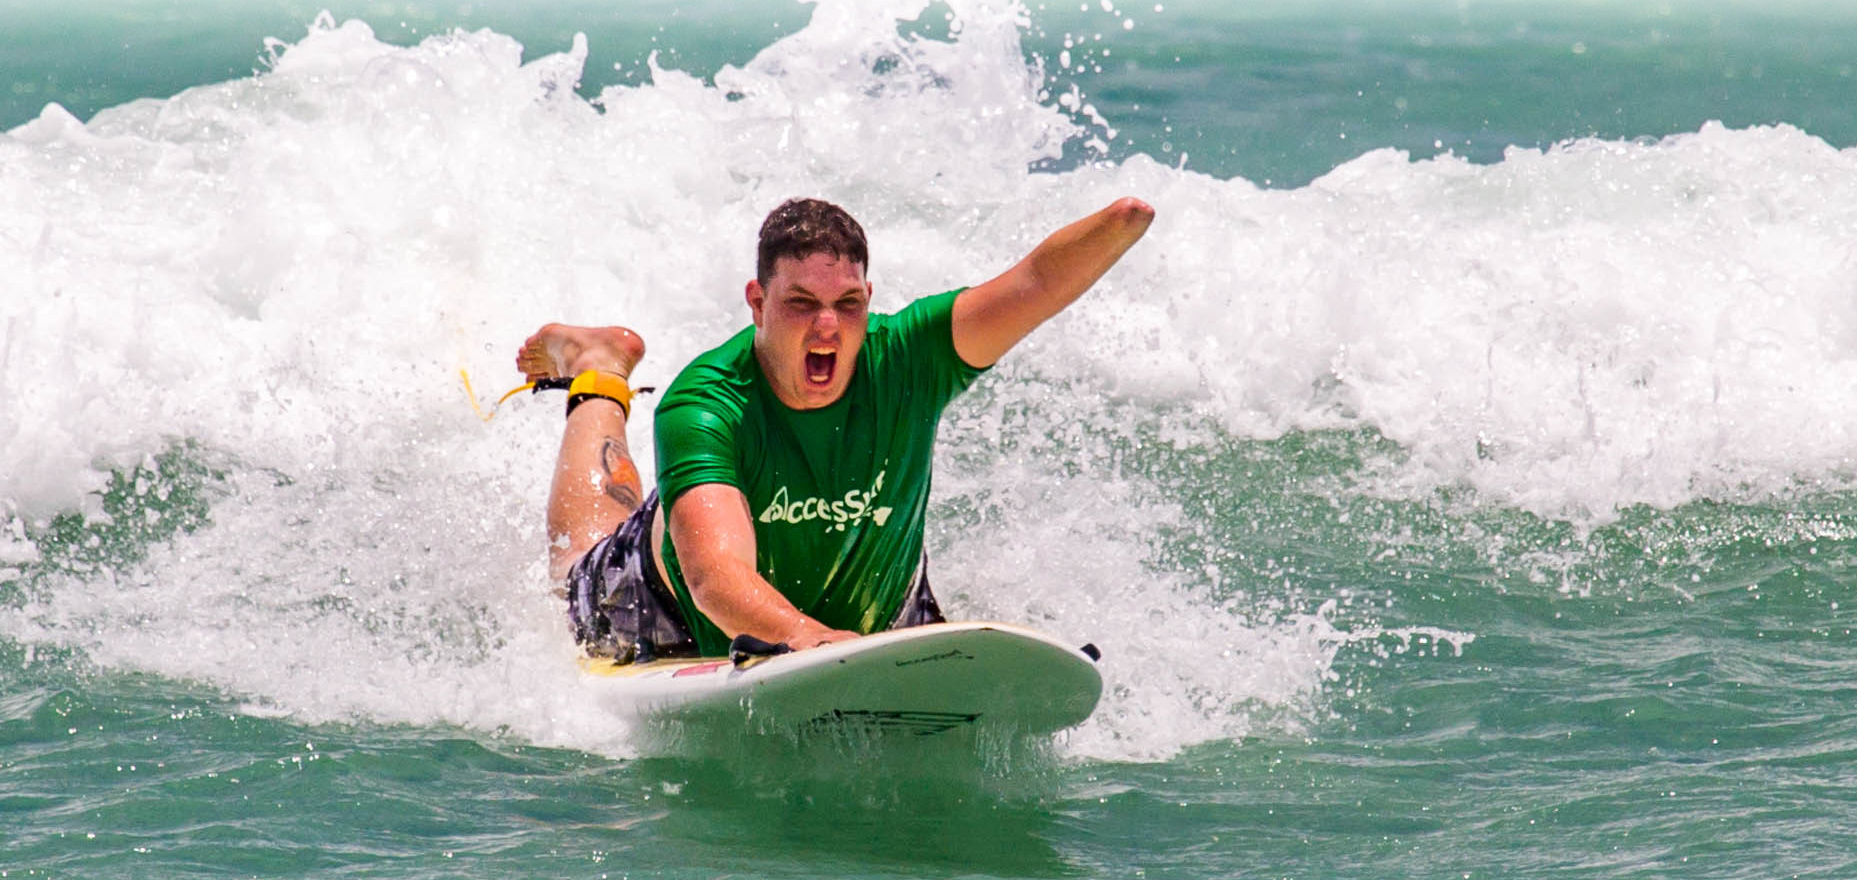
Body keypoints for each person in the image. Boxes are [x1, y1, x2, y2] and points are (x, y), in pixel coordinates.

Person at [516, 196, 1154, 662]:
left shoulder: (911, 357)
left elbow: (1035, 282)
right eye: (801, 303)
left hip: (872, 619)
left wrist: (1124, 220)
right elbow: (714, 576)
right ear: (758, 301)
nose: (828, 326)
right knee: (577, 552)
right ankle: (598, 369)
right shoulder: (706, 403)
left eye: (848, 304)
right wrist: (805, 634)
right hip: (672, 609)